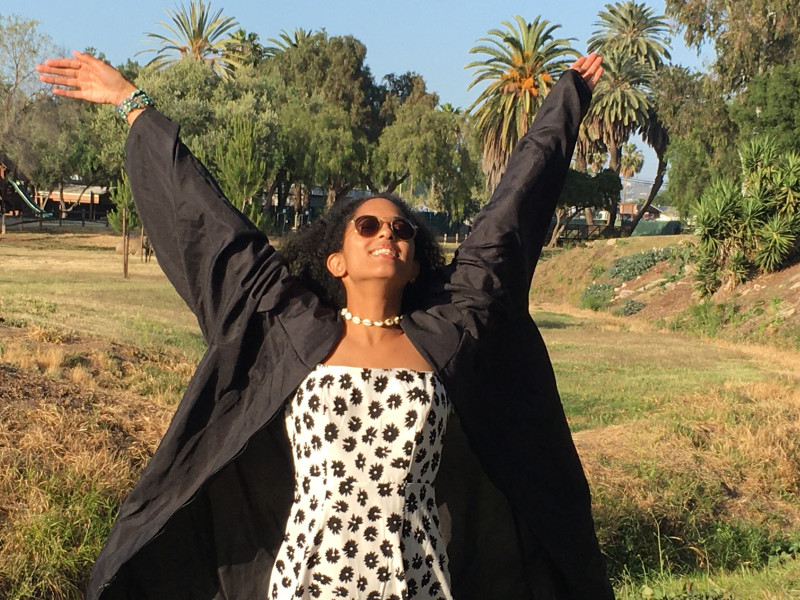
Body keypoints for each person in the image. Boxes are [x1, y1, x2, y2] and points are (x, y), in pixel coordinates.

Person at [37, 51, 612, 599]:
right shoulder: (290, 328)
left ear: (415, 262)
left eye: (402, 230)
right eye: (367, 226)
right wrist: (133, 103)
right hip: (311, 578)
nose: (388, 234)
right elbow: (209, 225)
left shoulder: (448, 335)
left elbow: (509, 217)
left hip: (415, 578)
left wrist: (565, 103)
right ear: (334, 259)